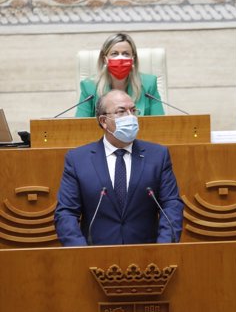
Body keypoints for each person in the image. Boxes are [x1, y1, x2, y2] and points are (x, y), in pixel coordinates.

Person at [55, 90, 183, 246]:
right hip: (95, 258)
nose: (130, 116)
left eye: (133, 110)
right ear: (103, 121)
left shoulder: (158, 156)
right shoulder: (78, 159)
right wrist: (80, 253)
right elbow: (66, 212)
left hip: (148, 258)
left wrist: (164, 247)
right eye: (121, 111)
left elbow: (171, 205)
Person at [75, 32, 165, 117]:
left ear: (133, 59)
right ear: (105, 59)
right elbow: (79, 126)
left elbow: (160, 124)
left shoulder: (149, 84)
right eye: (114, 54)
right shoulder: (89, 87)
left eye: (126, 54)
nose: (120, 58)